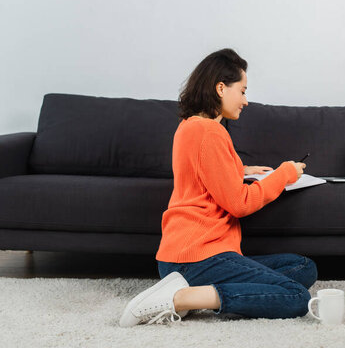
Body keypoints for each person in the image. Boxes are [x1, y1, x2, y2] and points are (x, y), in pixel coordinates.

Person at [119, 48, 317, 327]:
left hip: (183, 256)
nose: (246, 101)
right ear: (221, 88)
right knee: (296, 296)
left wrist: (242, 169)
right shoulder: (211, 132)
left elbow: (201, 173)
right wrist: (284, 174)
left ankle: (196, 291)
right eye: (243, 91)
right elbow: (239, 203)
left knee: (302, 267)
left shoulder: (190, 126)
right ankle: (180, 299)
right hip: (198, 256)